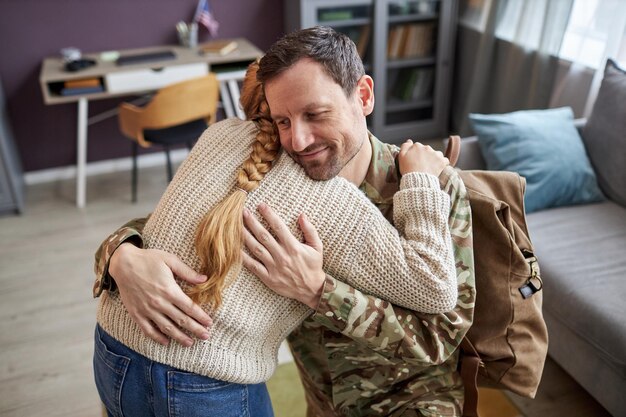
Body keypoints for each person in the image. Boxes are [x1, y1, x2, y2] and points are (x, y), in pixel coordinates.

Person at [93, 27, 475, 416]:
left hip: (410, 402)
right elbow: (172, 227)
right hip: (322, 401)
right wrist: (121, 258)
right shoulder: (270, 166)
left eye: (315, 114)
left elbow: (439, 337)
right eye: (283, 121)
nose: (299, 141)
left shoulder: (432, 189)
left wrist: (317, 290)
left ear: (363, 96)